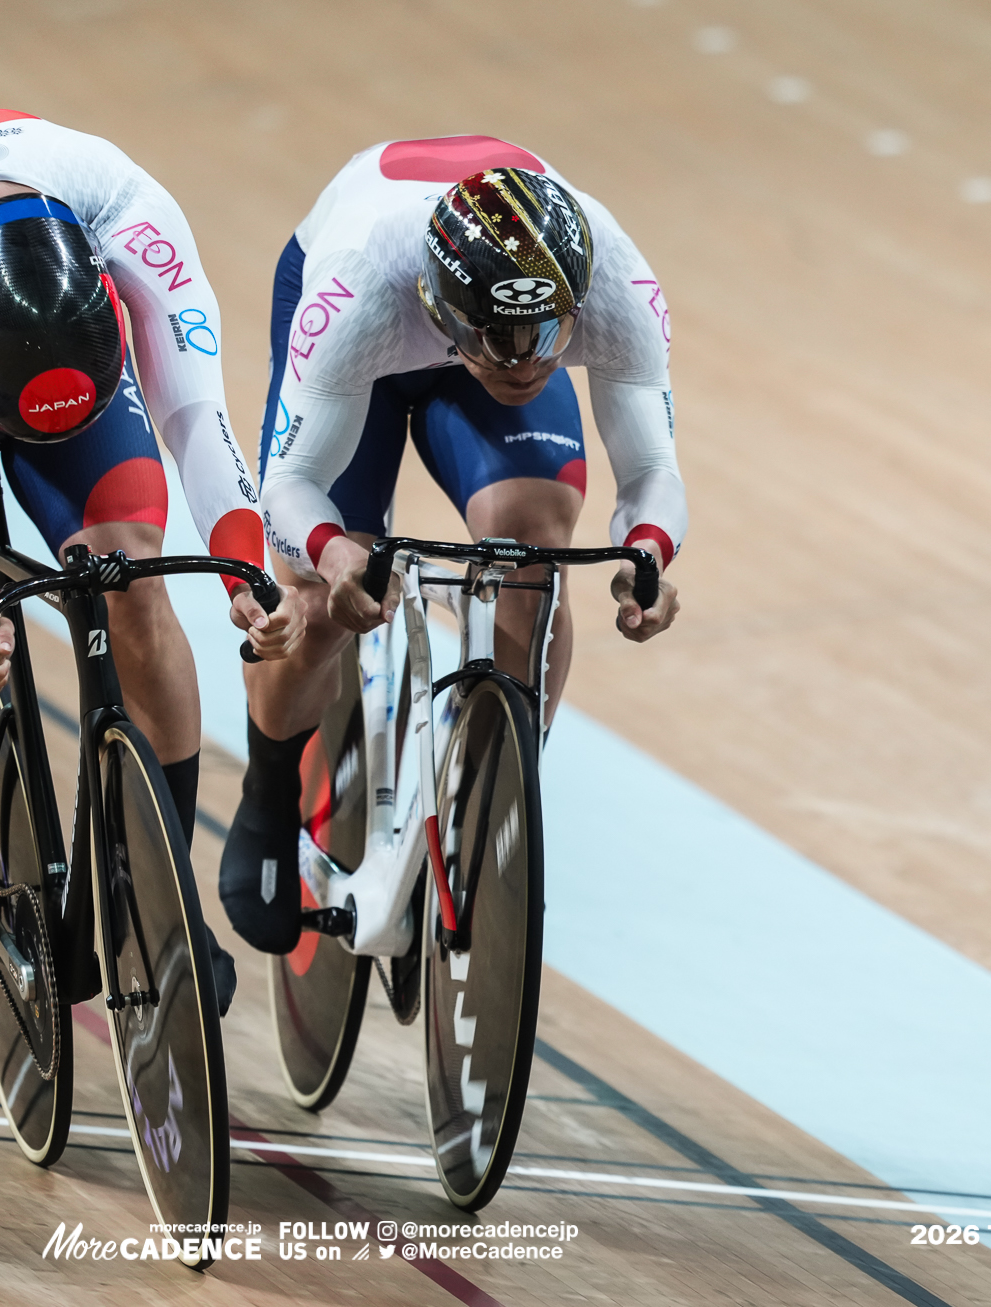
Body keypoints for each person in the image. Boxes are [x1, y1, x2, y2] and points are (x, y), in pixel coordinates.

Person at [0, 109, 296, 994]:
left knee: (133, 577)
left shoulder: (131, 216)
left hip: (55, 337)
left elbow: (198, 420)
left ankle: (166, 889)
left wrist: (247, 570)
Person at [220, 137, 684, 955]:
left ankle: (495, 796)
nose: (526, 364)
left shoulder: (614, 283)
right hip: (365, 345)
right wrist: (332, 554)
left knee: (533, 547)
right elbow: (289, 488)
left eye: (549, 336)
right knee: (317, 602)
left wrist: (648, 552)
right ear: (441, 310)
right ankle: (266, 793)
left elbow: (651, 467)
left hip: (449, 321)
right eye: (502, 341)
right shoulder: (359, 288)